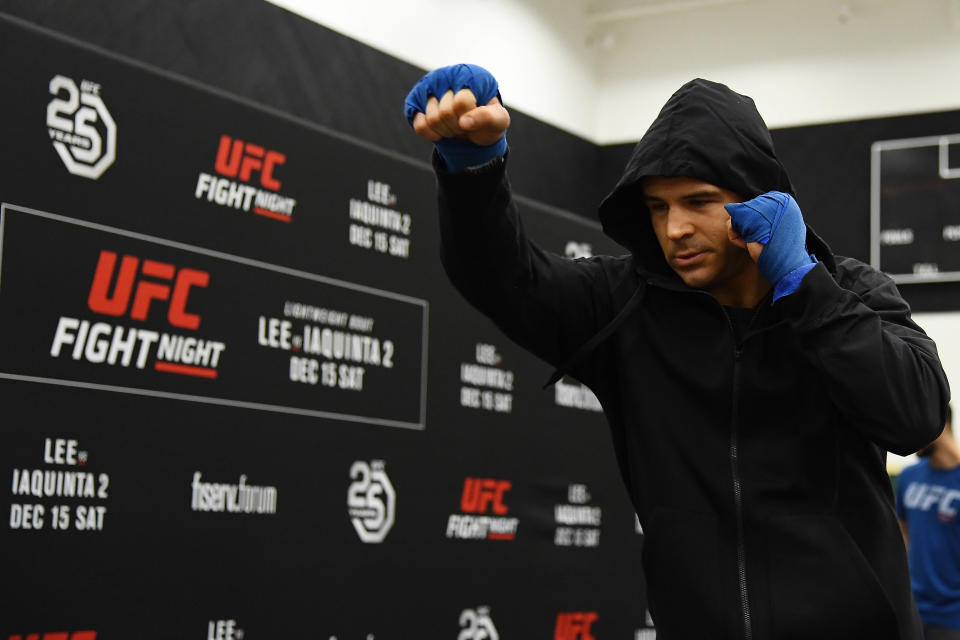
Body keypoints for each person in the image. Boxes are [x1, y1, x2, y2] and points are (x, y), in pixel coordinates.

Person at [404, 64, 950, 639]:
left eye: (698, 201)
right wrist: (473, 170)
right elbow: (504, 279)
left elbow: (916, 417)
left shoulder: (848, 291)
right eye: (659, 207)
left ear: (760, 200)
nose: (675, 229)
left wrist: (803, 287)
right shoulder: (625, 304)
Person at [898, 405, 960, 639]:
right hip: (912, 611)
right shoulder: (909, 477)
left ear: (939, 424)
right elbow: (902, 533)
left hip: (953, 620)